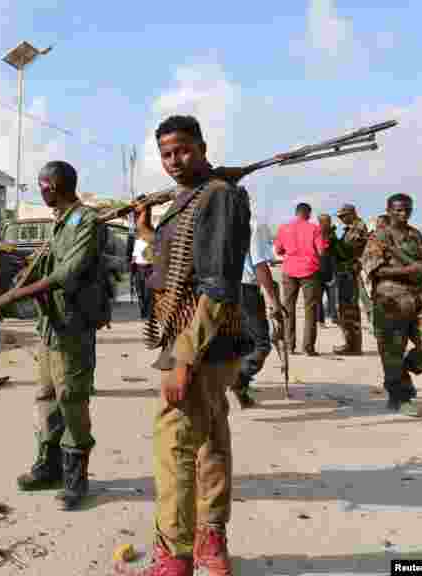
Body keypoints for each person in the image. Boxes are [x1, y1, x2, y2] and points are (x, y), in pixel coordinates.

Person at [118, 115, 251, 576]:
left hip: (201, 338)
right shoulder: (192, 199)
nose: (175, 160)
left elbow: (216, 287)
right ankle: (210, 543)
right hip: (201, 336)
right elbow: (174, 265)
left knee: (174, 442)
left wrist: (182, 361)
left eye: (183, 150)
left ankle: (173, 555)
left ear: (202, 146)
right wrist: (146, 230)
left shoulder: (219, 197)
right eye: (167, 154)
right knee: (210, 437)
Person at [0, 160, 101, 511]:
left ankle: (76, 478)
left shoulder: (86, 221)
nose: (41, 189)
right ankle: (48, 467)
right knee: (47, 397)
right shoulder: (60, 223)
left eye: (44, 183)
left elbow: (68, 273)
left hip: (74, 325)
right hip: (51, 325)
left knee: (71, 398)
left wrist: (12, 296)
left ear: (59, 184)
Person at [360, 194, 422, 418]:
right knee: (392, 352)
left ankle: (408, 365)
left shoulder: (415, 234)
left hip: (420, 299)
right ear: (389, 210)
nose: (404, 214)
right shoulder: (379, 237)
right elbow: (374, 270)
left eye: (408, 209)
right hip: (391, 302)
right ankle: (400, 398)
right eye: (399, 210)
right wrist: (407, 271)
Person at [234, 217, 284, 409]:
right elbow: (259, 264)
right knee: (260, 345)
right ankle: (239, 380)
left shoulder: (219, 221)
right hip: (245, 289)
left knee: (236, 340)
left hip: (217, 288)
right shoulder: (253, 225)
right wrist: (274, 301)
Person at [274, 202, 328, 356]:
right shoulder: (314, 229)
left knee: (288, 308)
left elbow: (278, 250)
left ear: (296, 213)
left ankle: (289, 346)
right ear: (309, 214)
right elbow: (321, 251)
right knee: (310, 309)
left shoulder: (284, 228)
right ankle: (308, 348)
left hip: (289, 270)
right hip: (310, 271)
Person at [329, 204, 368, 355]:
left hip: (349, 273)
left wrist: (332, 238)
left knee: (349, 309)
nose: (341, 219)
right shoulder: (352, 228)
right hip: (346, 273)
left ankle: (353, 346)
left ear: (352, 214)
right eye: (340, 217)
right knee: (346, 310)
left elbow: (345, 252)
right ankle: (351, 344)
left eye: (343, 216)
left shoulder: (357, 229)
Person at [317, 214, 337, 328]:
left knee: (332, 297)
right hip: (320, 270)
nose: (328, 223)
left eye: (328, 221)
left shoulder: (331, 234)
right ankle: (321, 320)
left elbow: (333, 254)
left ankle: (333, 317)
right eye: (326, 221)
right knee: (320, 298)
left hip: (328, 269)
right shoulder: (319, 234)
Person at [131, 233, 153, 320]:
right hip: (138, 270)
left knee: (148, 293)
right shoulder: (137, 242)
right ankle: (143, 314)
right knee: (140, 294)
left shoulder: (151, 242)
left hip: (148, 270)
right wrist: (132, 272)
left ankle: (147, 314)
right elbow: (134, 256)